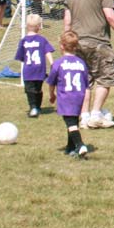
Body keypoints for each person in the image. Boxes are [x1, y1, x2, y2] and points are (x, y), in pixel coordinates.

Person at [63, 0, 114, 129]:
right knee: (106, 77)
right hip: (98, 42)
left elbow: (67, 21)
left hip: (77, 43)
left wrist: (67, 41)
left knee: (85, 81)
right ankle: (96, 114)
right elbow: (110, 16)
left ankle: (84, 116)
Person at [46, 30, 90, 158]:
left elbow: (51, 83)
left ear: (61, 46)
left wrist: (52, 95)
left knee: (70, 124)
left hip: (66, 97)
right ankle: (70, 147)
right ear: (75, 47)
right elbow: (86, 83)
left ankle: (80, 145)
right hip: (79, 96)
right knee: (73, 122)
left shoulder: (58, 64)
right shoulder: (81, 63)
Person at [15, 14, 55, 118]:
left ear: (26, 26)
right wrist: (52, 63)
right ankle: (37, 106)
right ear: (39, 26)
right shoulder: (42, 40)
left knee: (30, 89)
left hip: (28, 69)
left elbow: (20, 57)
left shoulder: (23, 41)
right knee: (38, 88)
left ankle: (33, 107)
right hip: (40, 69)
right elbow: (48, 52)